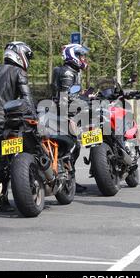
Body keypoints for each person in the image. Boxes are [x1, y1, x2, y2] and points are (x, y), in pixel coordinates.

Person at [0, 41, 36, 212]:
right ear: (20, 55)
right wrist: (35, 115)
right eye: (27, 56)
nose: (27, 60)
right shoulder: (18, 72)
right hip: (3, 121)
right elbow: (27, 100)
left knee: (1, 159)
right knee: (2, 162)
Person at [51, 43, 89, 193]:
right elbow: (65, 96)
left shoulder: (71, 70)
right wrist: (84, 99)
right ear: (73, 55)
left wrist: (83, 95)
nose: (84, 58)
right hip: (64, 115)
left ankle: (69, 179)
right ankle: (69, 179)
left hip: (62, 113)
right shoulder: (68, 72)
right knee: (72, 147)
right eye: (81, 55)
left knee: (70, 147)